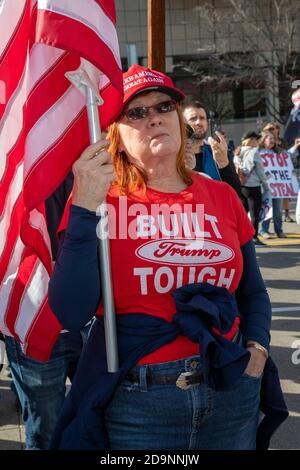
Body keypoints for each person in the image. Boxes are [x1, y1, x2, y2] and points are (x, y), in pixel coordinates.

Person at [49, 64, 276, 450]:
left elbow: (253, 291)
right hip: (139, 405)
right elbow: (70, 312)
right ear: (114, 136)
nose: (154, 118)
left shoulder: (221, 195)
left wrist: (257, 348)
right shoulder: (99, 199)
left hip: (231, 390)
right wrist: (85, 207)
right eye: (135, 113)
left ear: (180, 119)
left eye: (164, 106)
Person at [4, 175, 90, 450]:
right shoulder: (13, 154)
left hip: (94, 317)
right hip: (33, 314)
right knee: (46, 430)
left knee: (95, 420)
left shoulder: (92, 147)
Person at [182, 101, 242, 197]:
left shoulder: (217, 152)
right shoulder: (174, 155)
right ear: (183, 123)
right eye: (193, 119)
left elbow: (235, 193)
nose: (198, 122)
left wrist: (224, 164)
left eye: (202, 118)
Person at [234, 131, 269, 246]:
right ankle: (253, 238)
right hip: (253, 186)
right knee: (255, 214)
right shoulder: (254, 152)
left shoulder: (238, 151)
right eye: (256, 139)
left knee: (243, 213)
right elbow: (259, 171)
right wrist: (265, 185)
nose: (258, 142)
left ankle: (239, 237)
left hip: (241, 186)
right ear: (251, 140)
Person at [263, 122, 300, 222]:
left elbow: (287, 155)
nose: (271, 140)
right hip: (267, 184)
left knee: (278, 209)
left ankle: (279, 230)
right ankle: (264, 230)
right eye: (269, 136)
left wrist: (295, 147)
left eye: (273, 129)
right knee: (267, 207)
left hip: (278, 184)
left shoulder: (278, 149)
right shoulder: (260, 151)